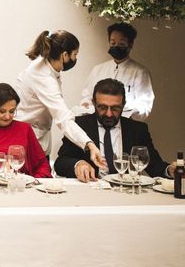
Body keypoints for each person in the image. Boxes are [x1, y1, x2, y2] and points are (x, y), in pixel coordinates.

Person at [14, 30, 105, 169]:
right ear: (64, 55)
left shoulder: (45, 65)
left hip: (36, 139)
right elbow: (62, 118)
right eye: (75, 54)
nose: (75, 59)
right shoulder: (43, 76)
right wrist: (89, 144)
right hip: (27, 144)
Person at [55, 78, 175, 182]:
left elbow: (154, 165)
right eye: (102, 107)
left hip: (126, 193)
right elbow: (60, 162)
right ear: (93, 103)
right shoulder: (80, 125)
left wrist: (170, 170)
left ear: (123, 105)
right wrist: (77, 164)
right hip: (92, 189)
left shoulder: (137, 130)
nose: (108, 114)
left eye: (115, 108)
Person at [79, 22, 154, 120]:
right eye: (113, 43)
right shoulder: (98, 69)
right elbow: (87, 96)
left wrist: (128, 114)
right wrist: (85, 105)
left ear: (130, 44)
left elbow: (144, 105)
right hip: (98, 124)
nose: (116, 46)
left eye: (121, 43)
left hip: (126, 126)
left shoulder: (140, 72)